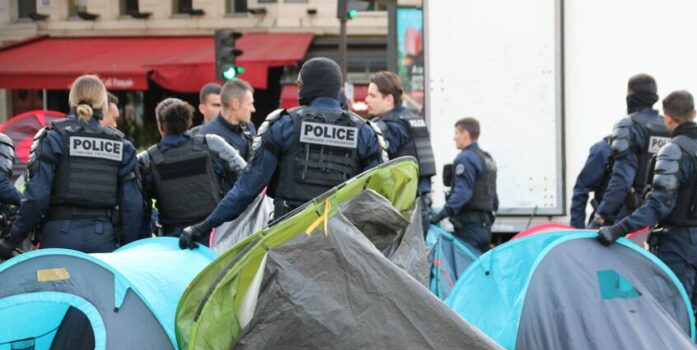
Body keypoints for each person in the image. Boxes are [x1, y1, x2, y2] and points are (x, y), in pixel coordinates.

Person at [178, 57, 387, 249]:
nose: (298, 90)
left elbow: (246, 189)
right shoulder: (365, 133)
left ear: (312, 85)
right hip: (342, 242)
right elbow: (377, 198)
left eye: (301, 84)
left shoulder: (284, 125)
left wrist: (203, 227)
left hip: (289, 240)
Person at [596, 91, 697, 350]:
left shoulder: (674, 152)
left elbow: (658, 205)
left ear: (668, 117)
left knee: (675, 314)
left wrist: (617, 230)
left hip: (676, 243)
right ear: (694, 112)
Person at [0, 74, 143, 258]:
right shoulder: (122, 146)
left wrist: (11, 241)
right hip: (104, 242)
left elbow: (36, 198)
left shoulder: (54, 138)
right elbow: (133, 206)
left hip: (58, 239)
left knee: (52, 287)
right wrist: (126, 251)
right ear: (104, 104)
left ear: (72, 101)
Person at [137, 98, 246, 236]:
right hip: (214, 234)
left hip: (173, 239)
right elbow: (246, 176)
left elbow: (139, 204)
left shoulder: (147, 159)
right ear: (189, 122)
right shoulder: (212, 144)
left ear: (161, 126)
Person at [589, 74, 671, 228]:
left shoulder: (629, 125)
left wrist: (601, 216)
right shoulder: (667, 127)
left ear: (630, 96)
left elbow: (622, 180)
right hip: (660, 215)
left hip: (632, 215)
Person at [366, 71, 436, 235]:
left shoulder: (388, 128)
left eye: (372, 96)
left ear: (389, 99)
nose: (366, 100)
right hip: (421, 210)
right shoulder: (414, 120)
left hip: (400, 215)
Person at [431, 117, 498, 253]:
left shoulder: (465, 158)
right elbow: (494, 198)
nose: (454, 138)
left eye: (456, 133)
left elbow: (463, 193)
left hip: (468, 227)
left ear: (465, 134)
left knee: (465, 270)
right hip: (484, 228)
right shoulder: (487, 159)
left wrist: (440, 215)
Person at [196, 78, 256, 161]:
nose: (253, 109)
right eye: (249, 104)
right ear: (235, 104)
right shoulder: (206, 135)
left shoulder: (249, 127)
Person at [569, 138, 611, 228]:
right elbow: (581, 190)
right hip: (605, 225)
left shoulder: (645, 150)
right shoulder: (604, 149)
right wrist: (577, 231)